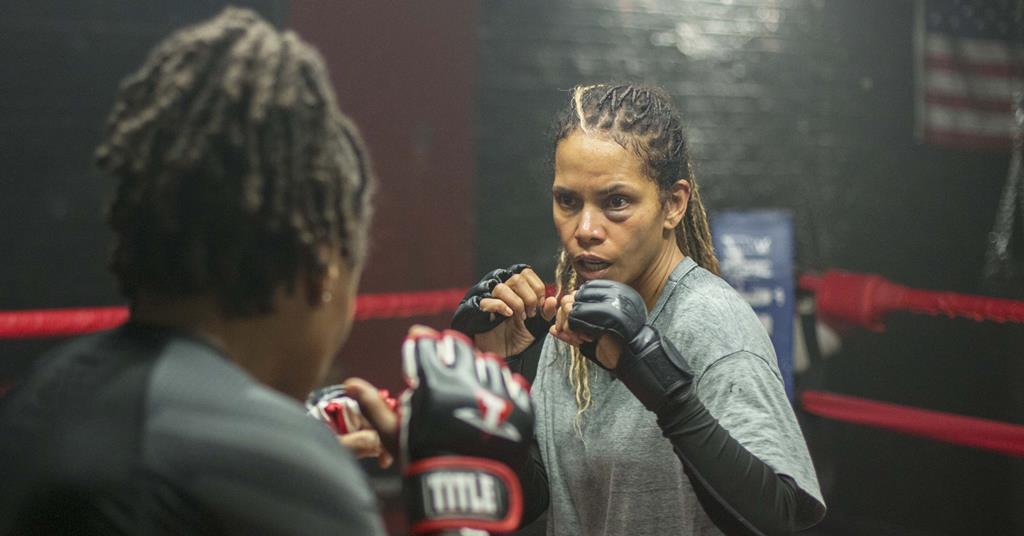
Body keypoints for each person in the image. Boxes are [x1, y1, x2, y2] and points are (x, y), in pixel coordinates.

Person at [0, 8, 532, 536]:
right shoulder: (279, 471)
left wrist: (284, 431)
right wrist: (459, 501)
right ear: (322, 267)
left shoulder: (34, 401)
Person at [452, 84, 826, 535]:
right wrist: (494, 377)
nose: (585, 229)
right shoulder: (573, 321)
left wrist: (669, 397)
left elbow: (780, 516)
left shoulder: (711, 323)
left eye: (616, 202)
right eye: (568, 201)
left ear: (673, 205)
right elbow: (540, 495)